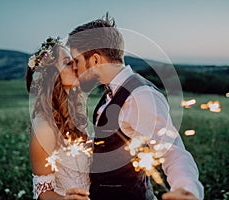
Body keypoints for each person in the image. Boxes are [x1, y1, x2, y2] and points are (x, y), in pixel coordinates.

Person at [67, 15, 204, 200]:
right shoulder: (112, 90)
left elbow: (172, 151)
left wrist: (186, 190)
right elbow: (119, 136)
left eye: (77, 61)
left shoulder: (141, 96)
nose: (75, 68)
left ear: (95, 60)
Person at [26, 37, 91, 200]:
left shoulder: (75, 114)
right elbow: (42, 192)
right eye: (68, 63)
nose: (76, 67)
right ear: (51, 75)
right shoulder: (44, 128)